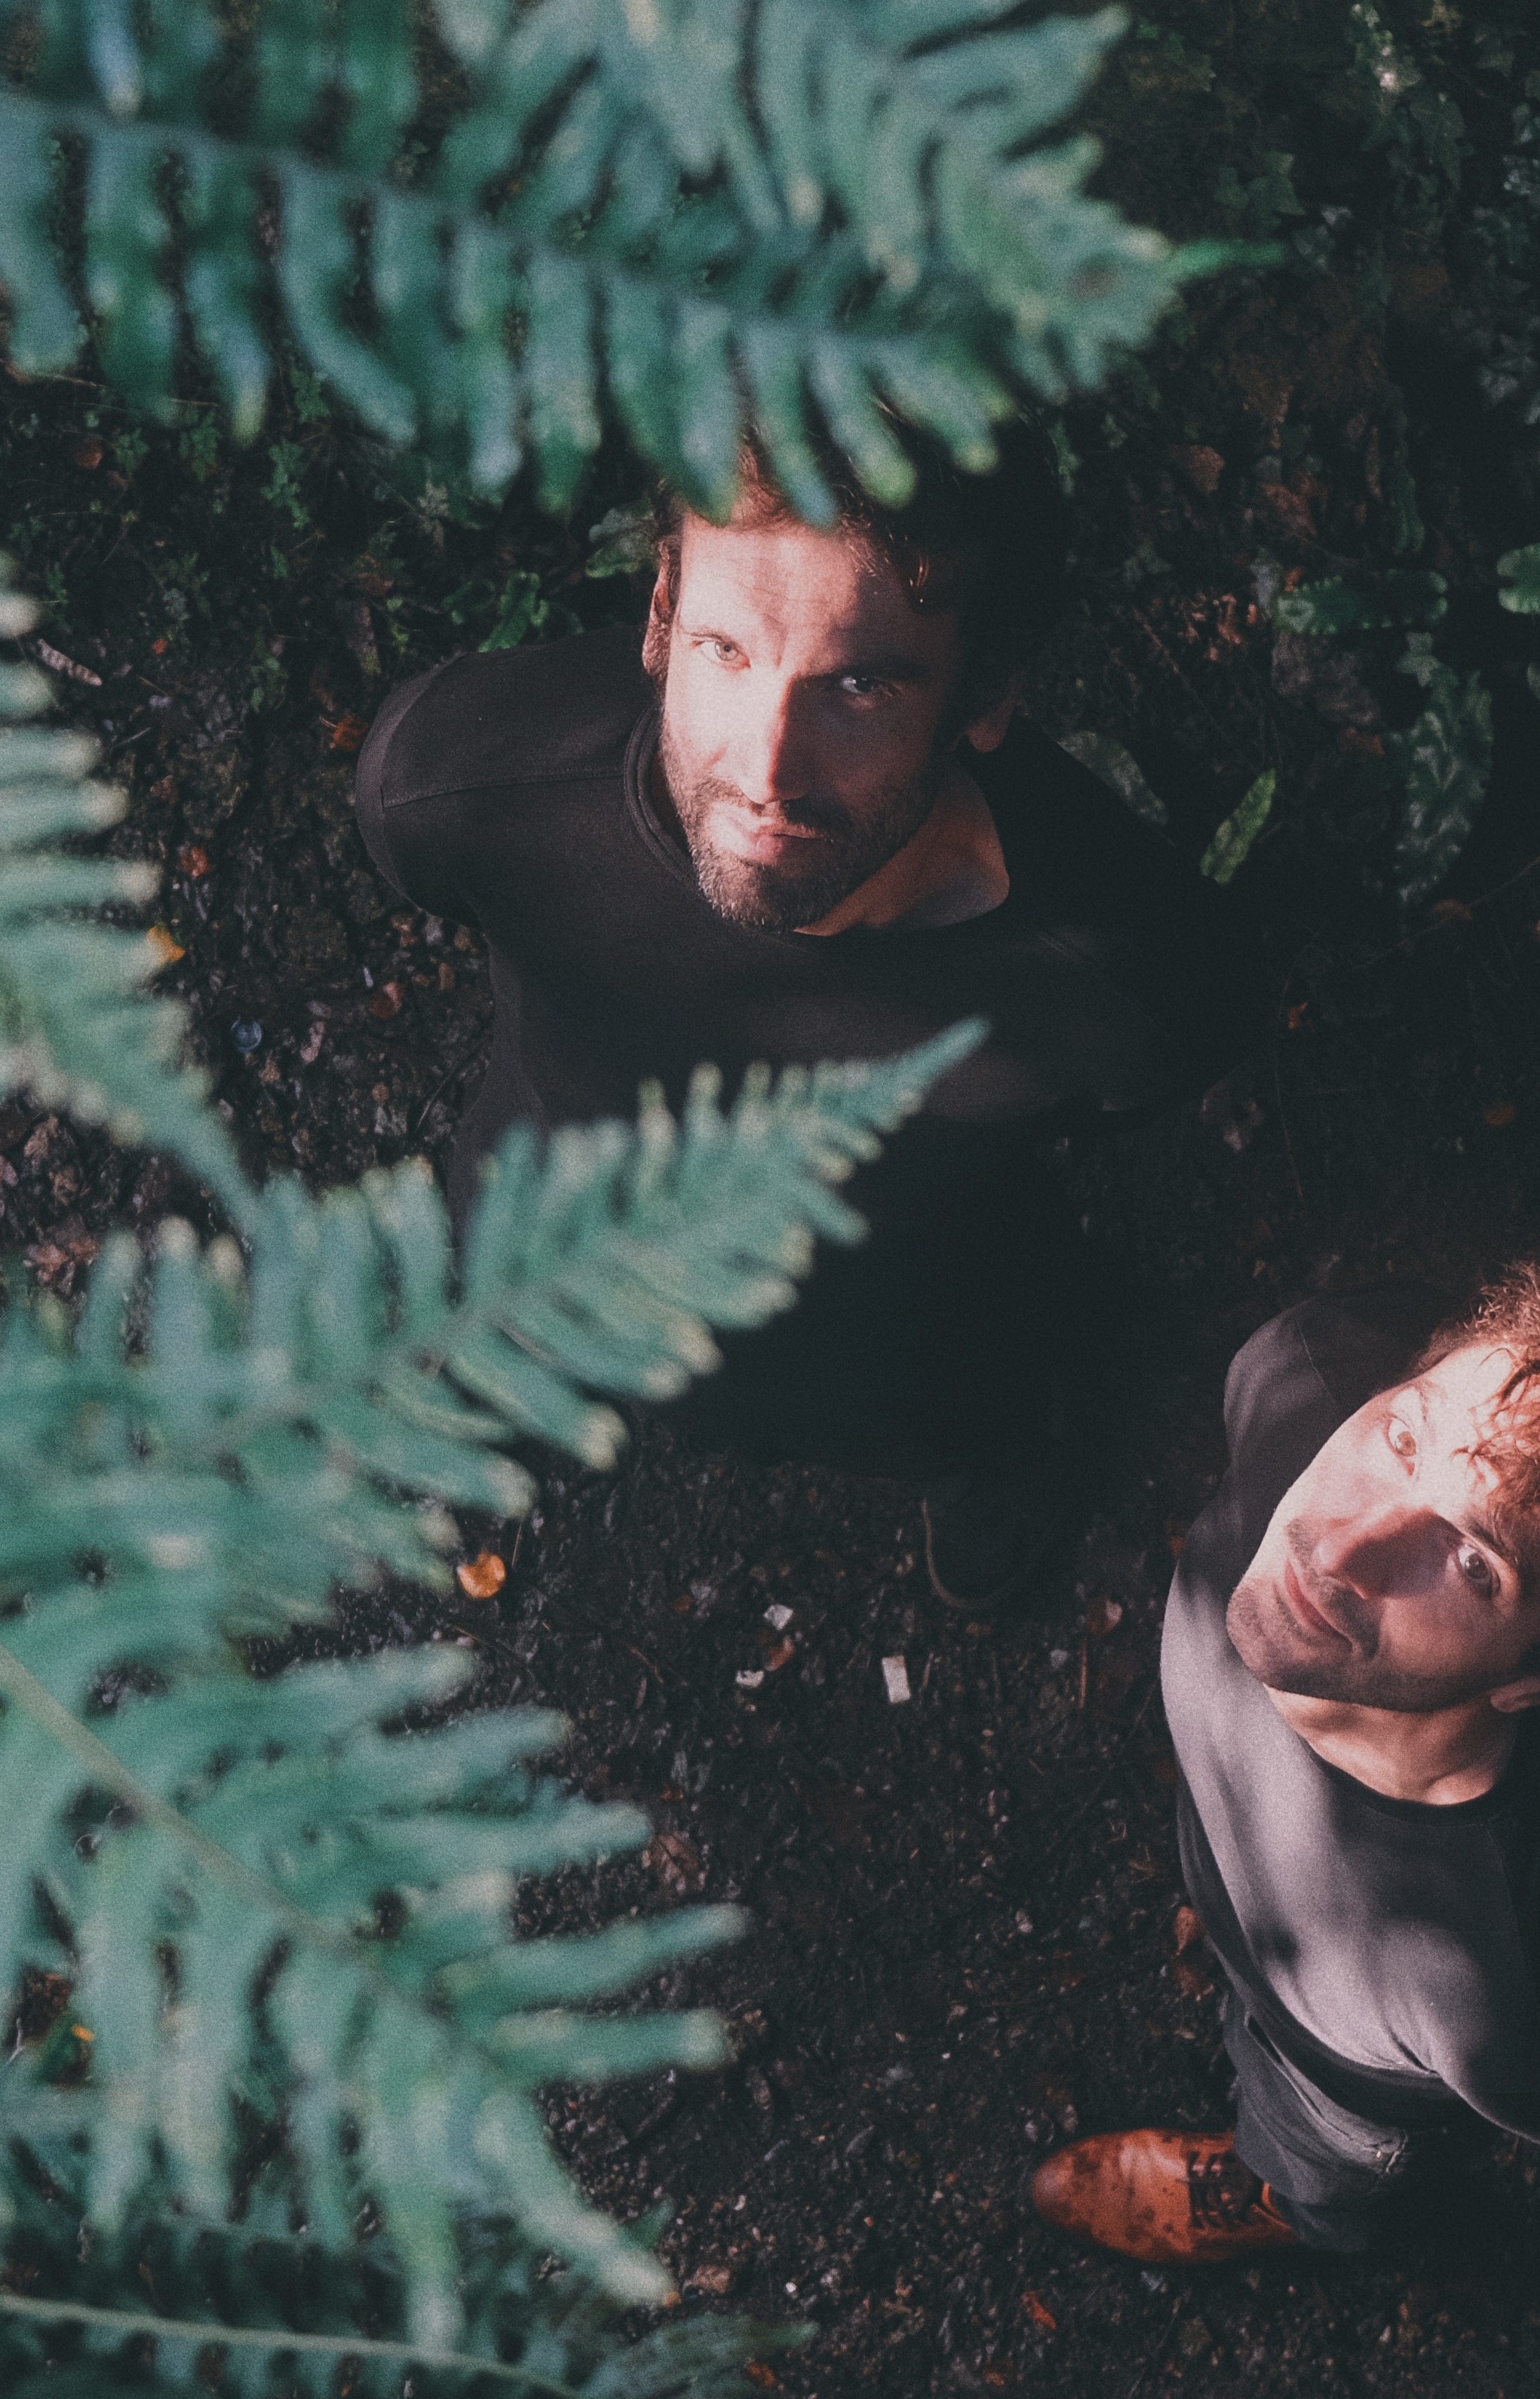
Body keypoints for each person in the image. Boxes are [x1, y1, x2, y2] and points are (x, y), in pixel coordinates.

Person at [353, 422, 1256, 1609]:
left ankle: (995, 1462)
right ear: (660, 614)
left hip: (904, 1347)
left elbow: (1127, 1090)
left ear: (985, 695)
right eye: (725, 650)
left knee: (975, 1412)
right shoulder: (455, 780)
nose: (766, 771)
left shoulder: (1121, 978)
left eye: (857, 687)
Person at [1029, 1237, 1540, 2262]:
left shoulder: (1532, 1970)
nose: (1337, 1550)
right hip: (1238, 1908)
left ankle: (1286, 2199)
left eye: (1474, 1563)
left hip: (1335, 2082)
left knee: (1327, 2169)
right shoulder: (1308, 1367)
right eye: (1407, 1437)